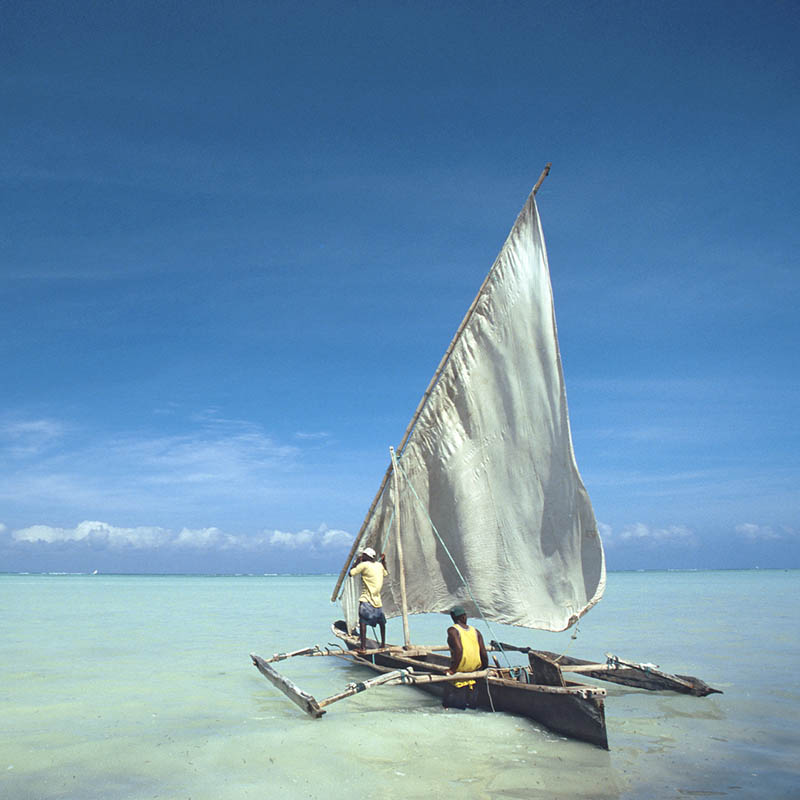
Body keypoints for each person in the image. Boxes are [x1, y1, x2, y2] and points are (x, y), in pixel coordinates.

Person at [443, 605, 488, 709]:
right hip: (474, 674)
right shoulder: (476, 631)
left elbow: (459, 650)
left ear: (453, 618)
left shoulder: (452, 630)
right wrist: (484, 669)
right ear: (463, 617)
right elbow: (483, 653)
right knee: (471, 707)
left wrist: (452, 670)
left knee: (449, 707)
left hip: (459, 674)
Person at [349, 546, 388, 652]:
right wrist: (384, 561)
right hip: (377, 601)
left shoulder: (364, 565)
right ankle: (383, 645)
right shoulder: (379, 565)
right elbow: (385, 573)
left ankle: (363, 647)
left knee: (363, 622)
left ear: (366, 556)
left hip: (366, 600)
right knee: (382, 623)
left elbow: (351, 573)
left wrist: (357, 561)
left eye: (363, 555)